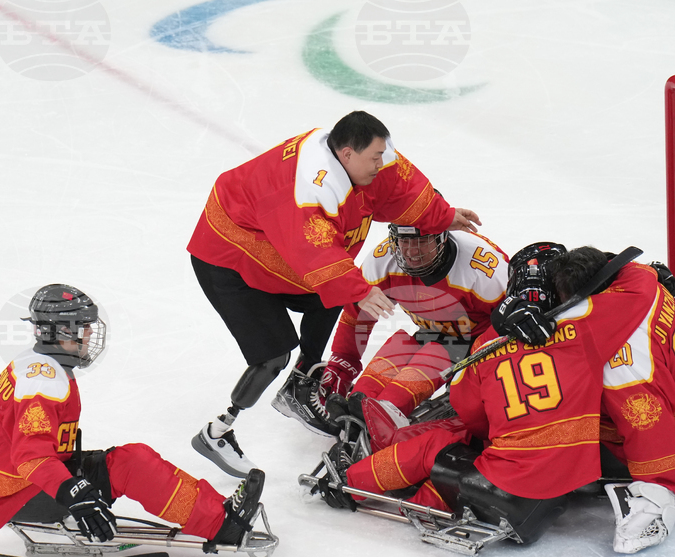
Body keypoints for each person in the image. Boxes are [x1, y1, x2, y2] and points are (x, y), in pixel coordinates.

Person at [315, 244, 675, 554]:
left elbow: (645, 420)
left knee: (453, 432)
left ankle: (361, 482)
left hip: (632, 453)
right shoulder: (645, 283)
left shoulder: (609, 354)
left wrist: (657, 494)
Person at [186, 110, 480, 477]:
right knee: (274, 353)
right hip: (229, 256)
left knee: (328, 292)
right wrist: (357, 290)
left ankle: (303, 381)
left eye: (381, 154)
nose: (380, 163)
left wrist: (441, 215)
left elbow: (402, 184)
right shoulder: (309, 188)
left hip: (276, 252)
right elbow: (311, 248)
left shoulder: (362, 156)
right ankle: (218, 431)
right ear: (347, 155)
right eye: (374, 157)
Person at [0, 284, 265, 551]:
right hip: (21, 493)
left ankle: (215, 511)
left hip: (9, 485)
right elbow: (30, 457)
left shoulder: (35, 364)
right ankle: (222, 525)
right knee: (132, 464)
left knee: (127, 462)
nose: (90, 335)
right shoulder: (43, 383)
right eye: (83, 328)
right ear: (61, 331)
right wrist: (75, 494)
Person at [314, 222, 508, 430]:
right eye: (404, 240)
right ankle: (361, 402)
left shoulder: (484, 268)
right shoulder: (382, 260)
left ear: (442, 237)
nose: (411, 251)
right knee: (402, 345)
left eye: (422, 241)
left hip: (483, 342)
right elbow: (357, 314)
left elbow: (508, 323)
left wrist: (480, 368)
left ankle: (386, 410)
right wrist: (342, 361)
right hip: (433, 333)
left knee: (436, 353)